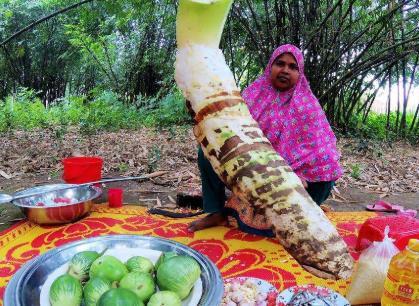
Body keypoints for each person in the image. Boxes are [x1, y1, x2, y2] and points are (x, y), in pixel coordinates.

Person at [187, 44, 343, 235]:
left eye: (293, 67)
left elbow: (323, 155)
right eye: (280, 63)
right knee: (209, 150)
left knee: (326, 174)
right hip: (255, 173)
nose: (285, 70)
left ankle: (302, 213)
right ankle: (216, 211)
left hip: (296, 183)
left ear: (300, 73)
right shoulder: (252, 96)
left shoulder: (307, 105)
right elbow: (230, 131)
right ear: (271, 66)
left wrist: (296, 175)